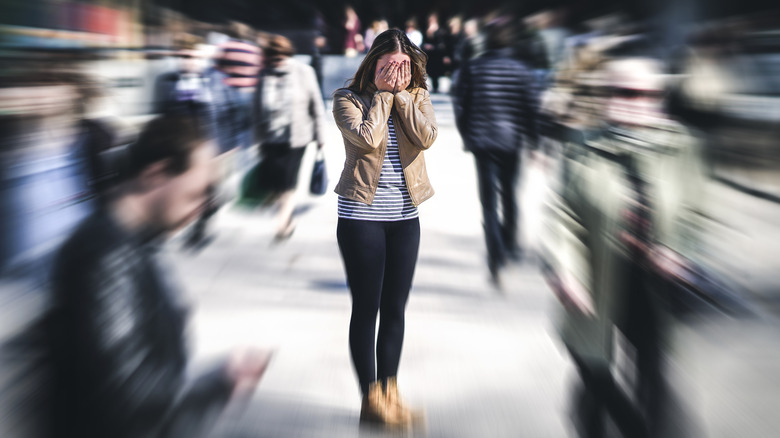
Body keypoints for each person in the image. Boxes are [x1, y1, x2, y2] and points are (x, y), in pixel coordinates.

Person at [45, 114, 272, 438]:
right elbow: (128, 398)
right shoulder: (105, 258)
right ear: (156, 174)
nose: (204, 206)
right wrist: (222, 382)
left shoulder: (132, 244)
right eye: (197, 192)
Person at [332, 29, 437, 428]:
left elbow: (426, 137)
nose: (397, 73)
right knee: (367, 308)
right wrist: (382, 95)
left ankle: (391, 393)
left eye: (403, 67)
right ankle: (370, 399)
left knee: (395, 308)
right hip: (362, 217)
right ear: (372, 64)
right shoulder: (348, 99)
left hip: (405, 218)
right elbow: (368, 139)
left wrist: (403, 97)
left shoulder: (419, 97)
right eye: (388, 67)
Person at [452, 20, 539, 287]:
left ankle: (495, 255)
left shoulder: (473, 68)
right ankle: (509, 244)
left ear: (487, 41)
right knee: (510, 195)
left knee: (488, 203)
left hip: (483, 143)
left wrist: (467, 135)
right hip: (511, 142)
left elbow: (461, 105)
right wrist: (534, 141)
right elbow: (531, 108)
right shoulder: (521, 70)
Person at [254, 35, 326, 241]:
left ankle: (283, 224)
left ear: (288, 55)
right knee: (277, 183)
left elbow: (316, 105)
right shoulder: (263, 75)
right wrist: (256, 139)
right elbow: (256, 109)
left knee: (288, 182)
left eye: (280, 57)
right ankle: (286, 217)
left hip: (297, 138)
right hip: (270, 138)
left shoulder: (304, 72)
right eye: (273, 58)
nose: (277, 62)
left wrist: (320, 136)